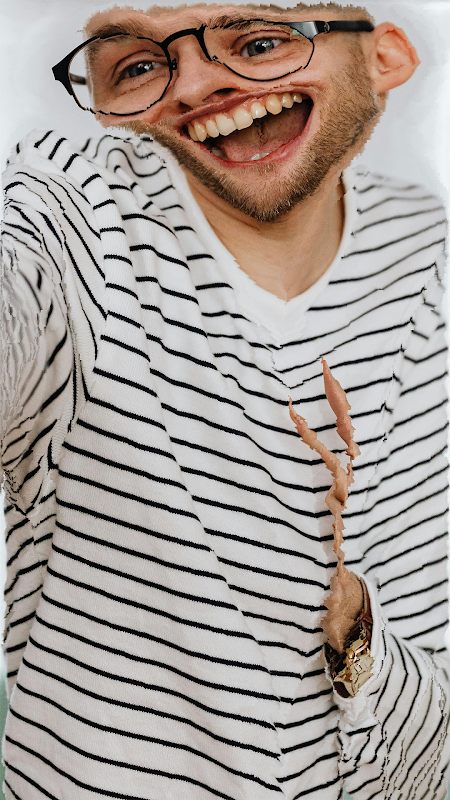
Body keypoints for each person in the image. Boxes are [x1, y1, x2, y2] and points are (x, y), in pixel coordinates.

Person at [1, 1, 448, 798]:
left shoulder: (431, 251)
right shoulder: (80, 230)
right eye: (139, 67)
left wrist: (363, 654)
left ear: (384, 59)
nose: (195, 84)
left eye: (262, 41)